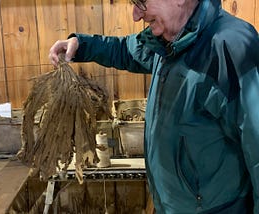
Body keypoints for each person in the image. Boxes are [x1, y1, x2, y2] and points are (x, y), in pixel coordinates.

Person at [49, 0, 259, 213]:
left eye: (140, 2)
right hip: (171, 205)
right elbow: (126, 50)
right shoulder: (169, 40)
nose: (135, 15)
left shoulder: (232, 47)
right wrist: (81, 45)